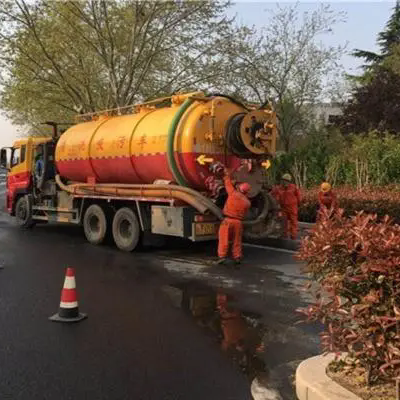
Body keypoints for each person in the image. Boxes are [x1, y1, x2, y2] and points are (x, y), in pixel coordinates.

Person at [216, 167, 252, 266]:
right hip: (238, 223)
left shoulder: (233, 193)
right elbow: (245, 212)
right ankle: (237, 257)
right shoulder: (247, 203)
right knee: (237, 240)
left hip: (228, 221)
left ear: (239, 188)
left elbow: (227, 183)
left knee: (224, 239)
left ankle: (222, 256)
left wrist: (227, 175)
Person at [271, 173, 301, 240]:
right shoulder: (278, 188)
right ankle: (284, 236)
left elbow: (298, 197)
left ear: (289, 181)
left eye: (286, 180)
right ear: (282, 180)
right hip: (283, 208)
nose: (285, 182)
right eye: (284, 180)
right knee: (284, 222)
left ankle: (293, 236)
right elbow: (272, 194)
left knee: (293, 222)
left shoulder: (294, 187)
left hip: (292, 208)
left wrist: (298, 204)